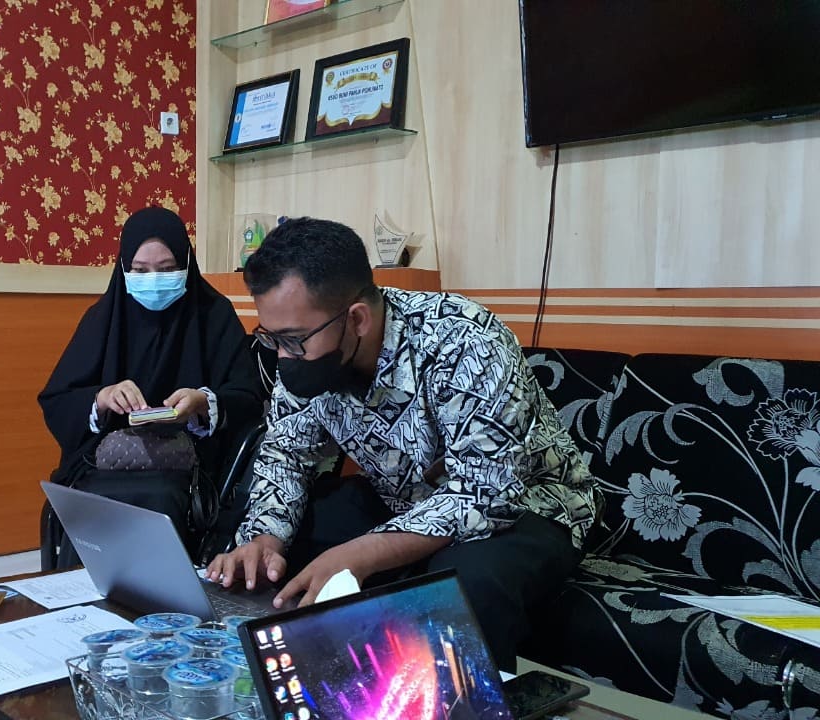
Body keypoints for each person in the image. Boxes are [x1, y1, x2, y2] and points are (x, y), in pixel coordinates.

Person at [205, 217, 601, 672]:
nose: (282, 356)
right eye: (271, 338)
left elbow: (486, 496)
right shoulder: (309, 348)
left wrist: (359, 553)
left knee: (465, 584)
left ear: (357, 319)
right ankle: (300, 681)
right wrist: (266, 537)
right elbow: (286, 453)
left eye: (293, 341)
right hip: (405, 502)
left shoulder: (466, 340)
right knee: (274, 554)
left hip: (531, 508)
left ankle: (460, 699)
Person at [39, 207, 265, 566]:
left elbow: (248, 398)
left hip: (188, 468)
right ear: (123, 267)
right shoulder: (103, 318)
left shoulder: (214, 314)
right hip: (106, 464)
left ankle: (164, 596)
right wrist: (101, 398)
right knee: (88, 501)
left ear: (186, 262)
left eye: (166, 268)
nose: (153, 280)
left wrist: (203, 403)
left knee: (159, 498)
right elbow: (57, 398)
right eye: (141, 271)